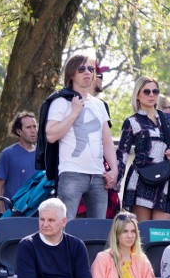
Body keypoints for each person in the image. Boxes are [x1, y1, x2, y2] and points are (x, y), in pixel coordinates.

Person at [45, 54, 117, 220]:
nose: (87, 72)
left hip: (98, 175)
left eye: (91, 69)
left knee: (97, 231)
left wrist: (113, 169)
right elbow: (51, 135)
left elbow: (106, 140)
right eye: (82, 69)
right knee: (66, 226)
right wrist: (74, 112)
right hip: (71, 172)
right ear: (71, 74)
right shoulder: (60, 101)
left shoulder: (99, 105)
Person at [116, 76, 170, 221]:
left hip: (166, 180)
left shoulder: (169, 119)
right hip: (141, 179)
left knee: (161, 234)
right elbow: (122, 154)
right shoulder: (131, 122)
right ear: (137, 95)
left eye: (155, 91)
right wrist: (115, 181)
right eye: (146, 91)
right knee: (143, 233)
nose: (151, 95)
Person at [0, 111, 37, 208]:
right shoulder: (7, 154)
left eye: (34, 126)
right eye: (28, 127)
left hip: (37, 213)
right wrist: (1, 213)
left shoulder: (42, 154)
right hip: (13, 214)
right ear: (19, 131)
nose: (33, 130)